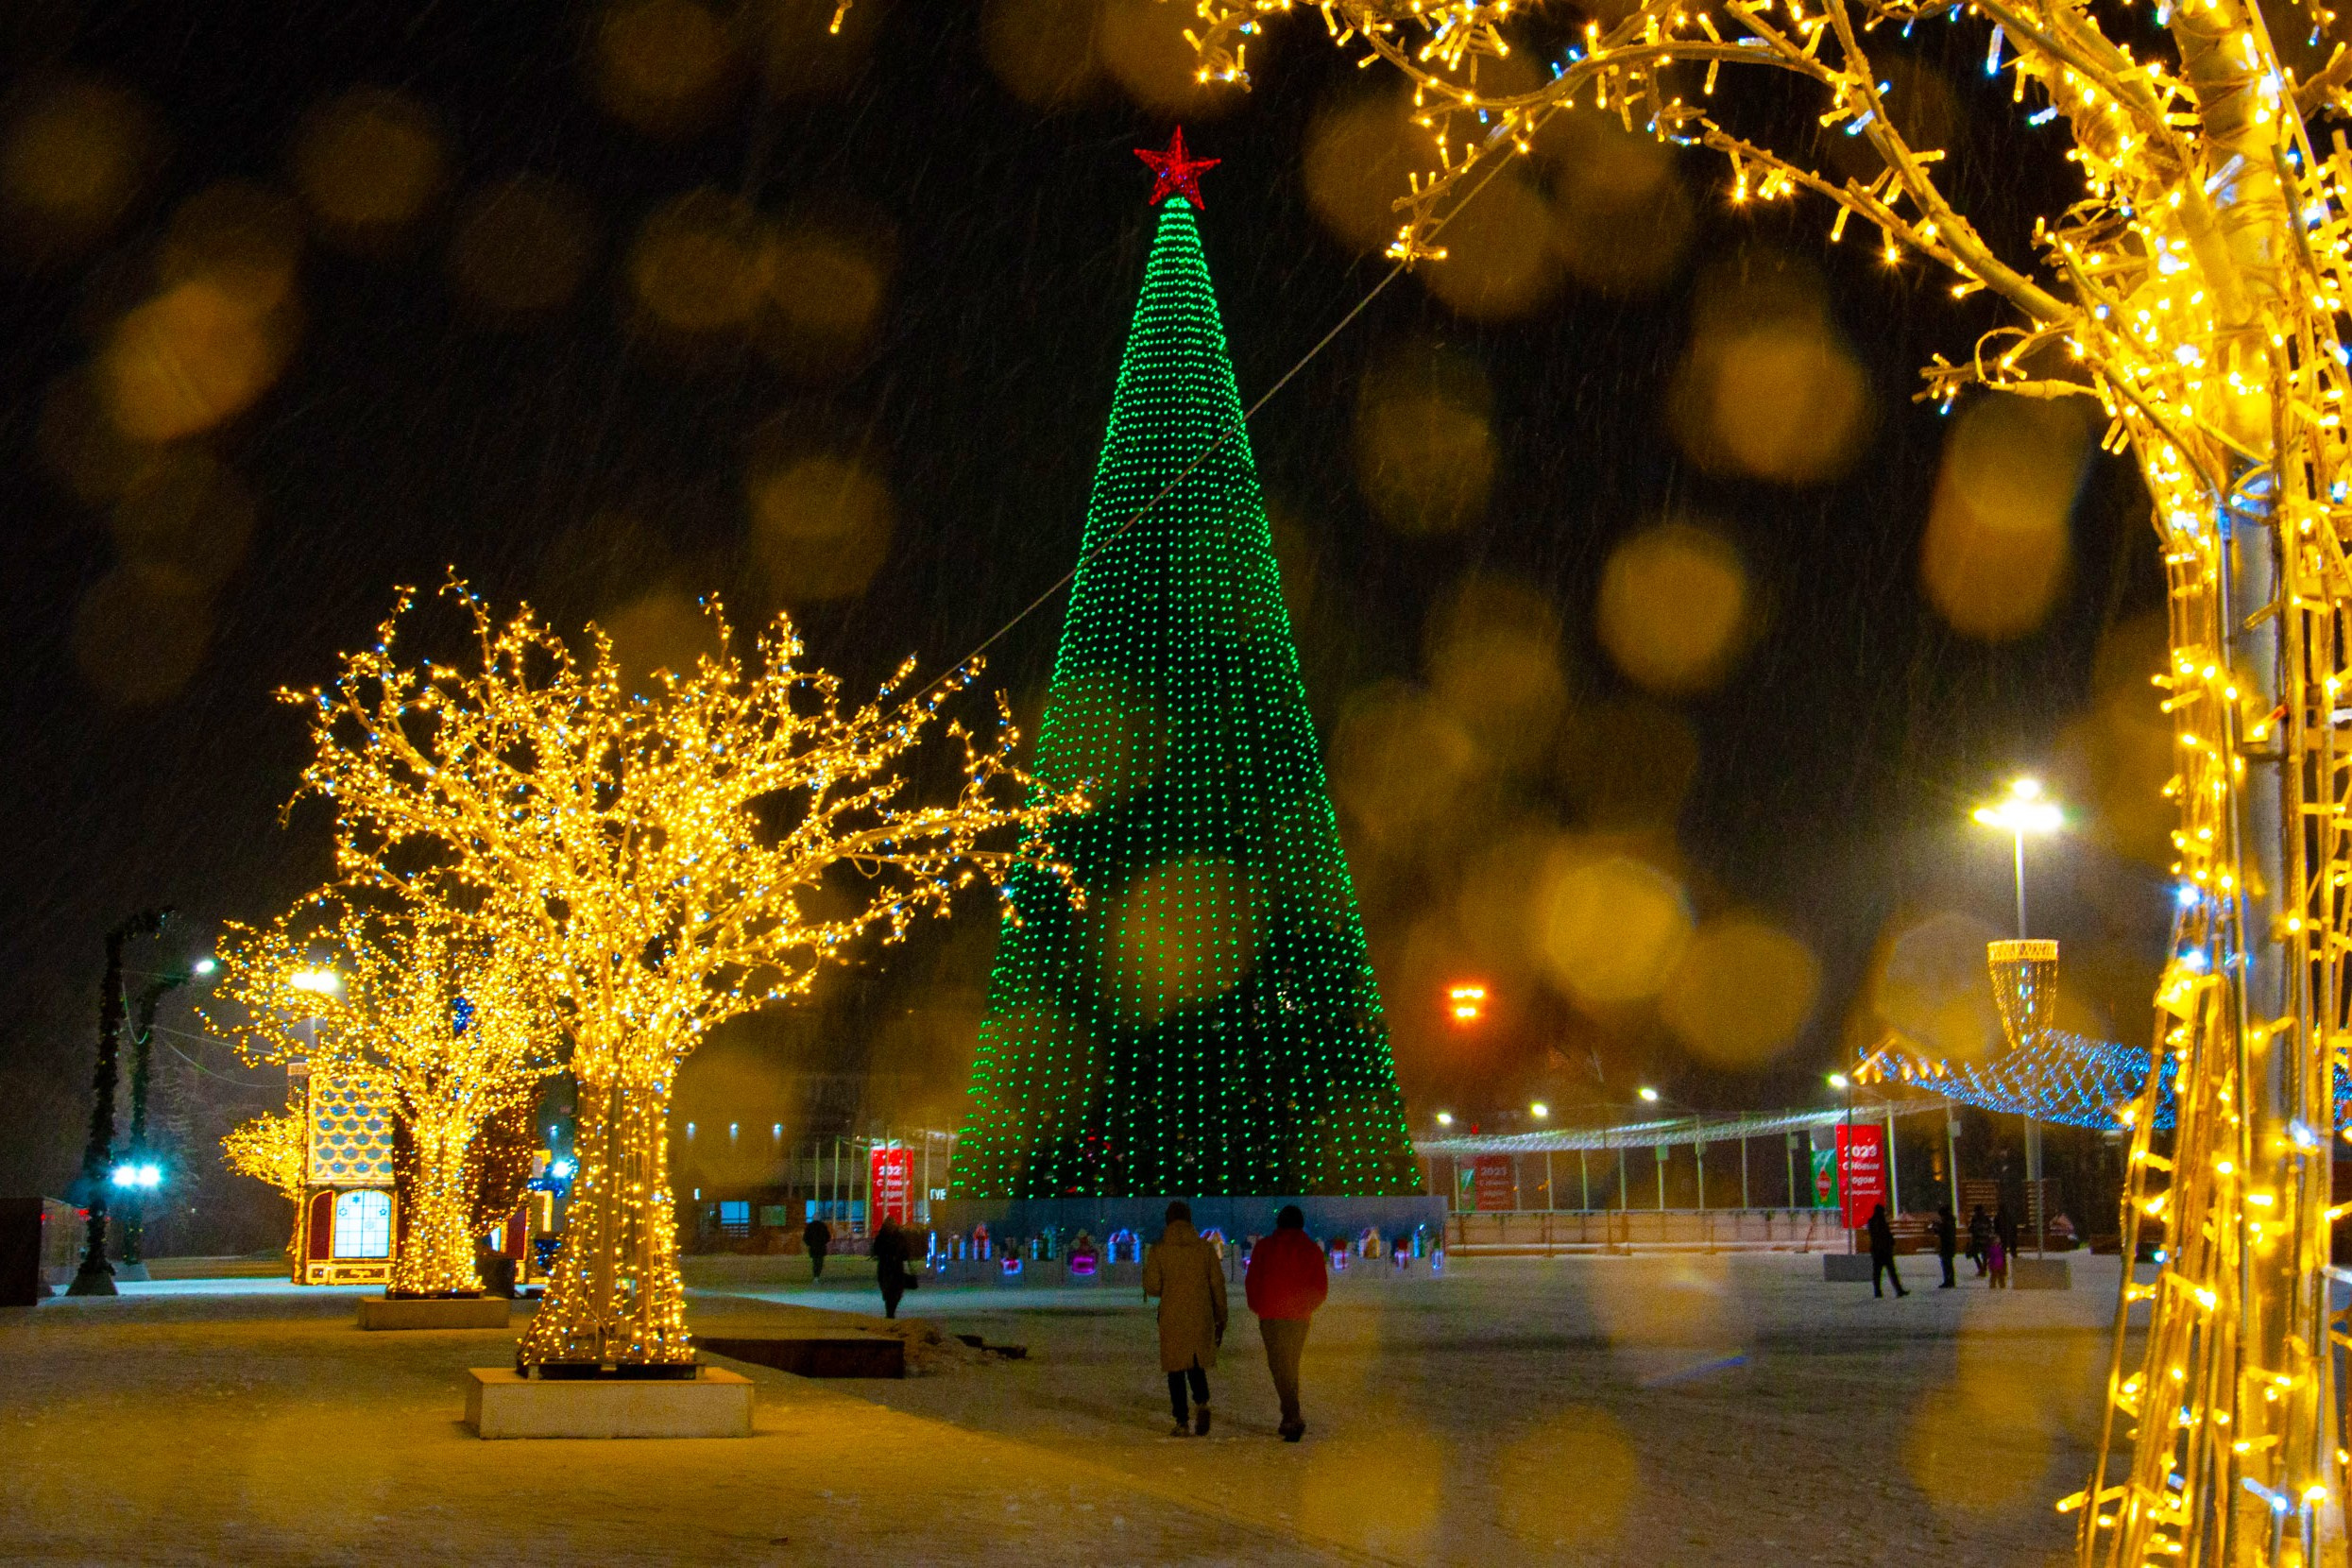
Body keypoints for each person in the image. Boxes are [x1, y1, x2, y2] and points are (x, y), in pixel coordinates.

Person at [1142, 1200, 1227, 1437]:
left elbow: (1152, 1287)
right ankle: (1202, 1402)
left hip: (1172, 1316)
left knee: (1175, 1368)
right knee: (1196, 1362)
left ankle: (1181, 1421)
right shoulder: (1205, 1249)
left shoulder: (1159, 1250)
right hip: (1201, 1314)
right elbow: (1217, 1285)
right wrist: (1221, 1316)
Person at [1245, 1203, 1328, 1441]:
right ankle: (1290, 1415)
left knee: (1279, 1366)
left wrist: (1257, 1305)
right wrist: (1306, 1306)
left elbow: (1253, 1280)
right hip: (1299, 1318)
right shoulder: (1311, 1250)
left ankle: (1292, 1416)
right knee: (1290, 1364)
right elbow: (1320, 1286)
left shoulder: (1264, 1248)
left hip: (1270, 1315)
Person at [1866, 1202, 1908, 1298]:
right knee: (1889, 1272)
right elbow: (1883, 1235)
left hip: (1878, 1251)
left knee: (1878, 1273)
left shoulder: (1874, 1221)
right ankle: (1897, 1290)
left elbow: (1879, 1236)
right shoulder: (1880, 1222)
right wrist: (1890, 1242)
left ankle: (1879, 1291)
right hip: (1883, 1251)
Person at [873, 1218, 911, 1320]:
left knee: (894, 1291)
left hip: (893, 1268)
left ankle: (890, 1311)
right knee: (890, 1291)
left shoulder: (892, 1236)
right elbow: (876, 1250)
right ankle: (890, 1311)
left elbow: (905, 1252)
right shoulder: (887, 1237)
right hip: (888, 1267)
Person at [1933, 1203, 1959, 1289]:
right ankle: (1950, 1280)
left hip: (1946, 1245)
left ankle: (1948, 1280)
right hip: (1950, 1245)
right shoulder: (1951, 1221)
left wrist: (1936, 1227)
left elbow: (1942, 1233)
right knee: (1948, 1264)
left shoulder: (1947, 1222)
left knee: (1946, 1264)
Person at [803, 1215, 832, 1281]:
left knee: (815, 1261)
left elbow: (805, 1237)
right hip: (821, 1246)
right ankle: (817, 1275)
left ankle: (815, 1275)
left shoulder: (809, 1226)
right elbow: (828, 1236)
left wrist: (809, 1244)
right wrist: (824, 1242)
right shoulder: (823, 1226)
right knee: (820, 1261)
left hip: (813, 1247)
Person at [1967, 1204, 1992, 1277]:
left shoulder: (1975, 1218)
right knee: (1984, 1255)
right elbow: (1990, 1227)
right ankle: (1984, 1269)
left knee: (1975, 1254)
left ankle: (1981, 1269)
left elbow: (1972, 1228)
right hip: (1986, 1239)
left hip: (1977, 1239)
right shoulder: (1986, 1218)